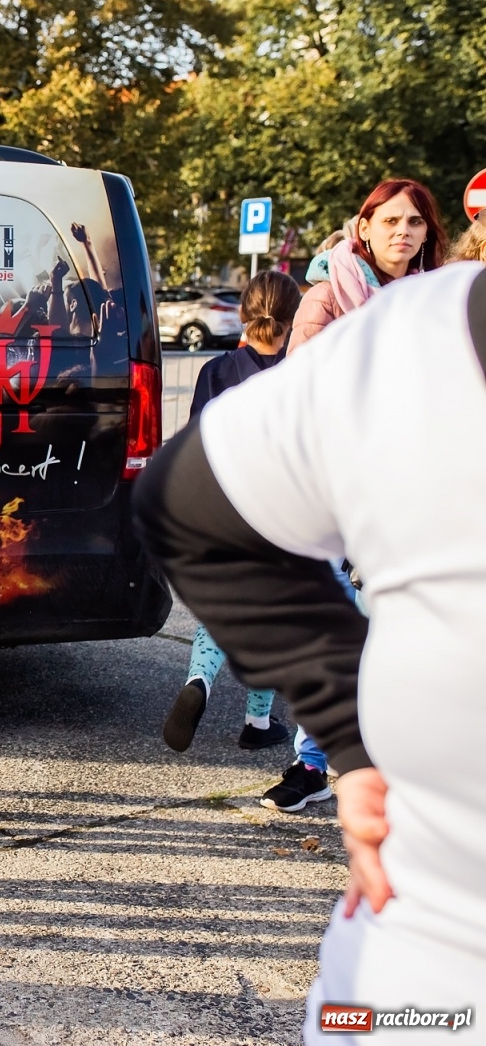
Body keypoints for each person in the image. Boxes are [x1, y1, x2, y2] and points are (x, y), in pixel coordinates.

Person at [134, 262, 486, 1040]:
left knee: (217, 636)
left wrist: (355, 732)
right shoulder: (418, 326)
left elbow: (194, 491)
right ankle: (266, 725)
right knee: (269, 663)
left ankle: (227, 694)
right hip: (428, 964)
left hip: (422, 968)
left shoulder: (424, 328)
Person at [161, 272, 298, 757]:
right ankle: (258, 722)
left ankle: (200, 678)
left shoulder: (215, 371)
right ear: (293, 318)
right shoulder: (299, 375)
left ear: (243, 314)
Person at [288, 179, 448, 354]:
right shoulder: (326, 297)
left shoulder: (431, 298)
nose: (404, 231)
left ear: (425, 234)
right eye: (391, 221)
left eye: (415, 222)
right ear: (364, 229)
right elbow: (300, 375)